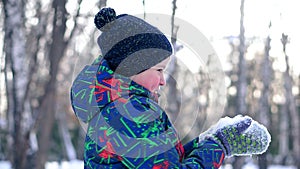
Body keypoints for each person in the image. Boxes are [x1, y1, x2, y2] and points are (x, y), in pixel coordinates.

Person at [70, 7, 271, 169]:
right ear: (133, 68)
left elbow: (162, 161)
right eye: (159, 70)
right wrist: (219, 146)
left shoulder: (116, 110)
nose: (162, 81)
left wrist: (206, 141)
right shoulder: (130, 115)